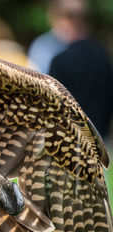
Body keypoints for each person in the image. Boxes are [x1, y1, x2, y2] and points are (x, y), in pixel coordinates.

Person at [48, 0, 113, 139]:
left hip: (69, 144)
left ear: (65, 20)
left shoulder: (61, 60)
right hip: (100, 143)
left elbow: (51, 109)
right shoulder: (104, 57)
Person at [27, 0, 85, 73]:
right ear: (54, 15)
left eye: (81, 16)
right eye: (70, 15)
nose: (77, 21)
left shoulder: (91, 47)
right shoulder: (42, 47)